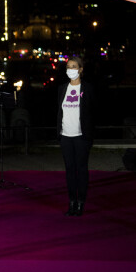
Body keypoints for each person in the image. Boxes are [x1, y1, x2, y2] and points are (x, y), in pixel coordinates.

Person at [57, 56, 95, 216]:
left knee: (81, 169)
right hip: (65, 136)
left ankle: (81, 202)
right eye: (68, 67)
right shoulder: (62, 88)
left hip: (81, 136)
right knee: (69, 170)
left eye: (73, 66)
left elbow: (93, 113)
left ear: (80, 70)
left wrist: (89, 135)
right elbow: (59, 112)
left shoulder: (88, 89)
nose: (70, 70)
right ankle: (72, 201)